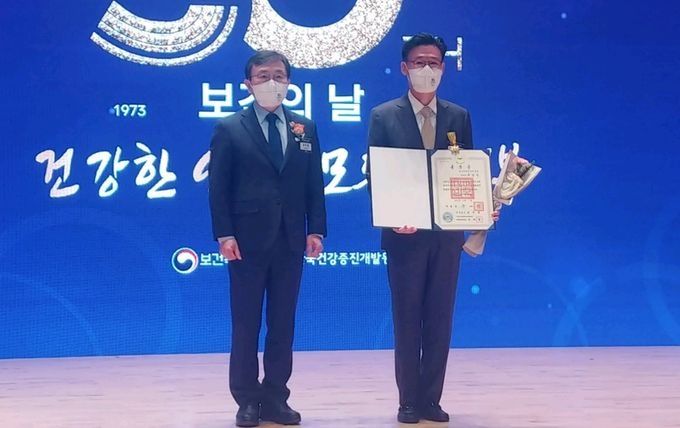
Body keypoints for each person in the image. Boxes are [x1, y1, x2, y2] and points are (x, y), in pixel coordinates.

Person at [367, 33, 493, 424]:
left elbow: (466, 171)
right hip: (403, 236)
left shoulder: (458, 116)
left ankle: (431, 399)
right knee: (407, 320)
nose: (427, 69)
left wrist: (480, 207)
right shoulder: (383, 116)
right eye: (419, 62)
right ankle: (408, 401)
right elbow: (377, 175)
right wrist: (393, 216)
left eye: (434, 62)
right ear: (404, 68)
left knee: (440, 320)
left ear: (443, 68)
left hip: (446, 236)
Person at [209, 50, 327, 427]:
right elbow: (218, 189)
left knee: (282, 324)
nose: (271, 82)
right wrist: (224, 234)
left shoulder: (304, 128)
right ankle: (246, 400)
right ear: (248, 84)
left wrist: (316, 229)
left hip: (290, 239)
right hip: (245, 241)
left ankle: (276, 397)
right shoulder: (230, 128)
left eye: (279, 75)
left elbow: (314, 184)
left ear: (289, 82)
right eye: (263, 76)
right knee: (246, 324)